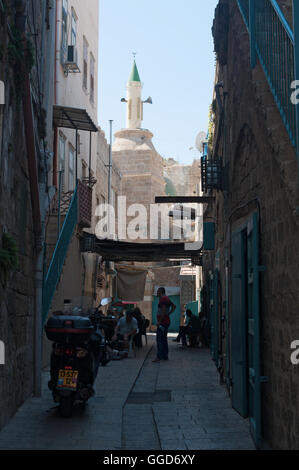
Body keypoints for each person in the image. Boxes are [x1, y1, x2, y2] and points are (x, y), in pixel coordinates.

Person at [152, 287, 176, 363]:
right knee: (164, 339)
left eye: (158, 291)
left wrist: (160, 321)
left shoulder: (163, 299)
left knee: (159, 339)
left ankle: (158, 357)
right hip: (166, 321)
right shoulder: (167, 299)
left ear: (161, 292)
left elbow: (163, 309)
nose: (157, 293)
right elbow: (174, 306)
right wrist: (168, 314)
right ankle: (165, 356)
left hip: (163, 322)